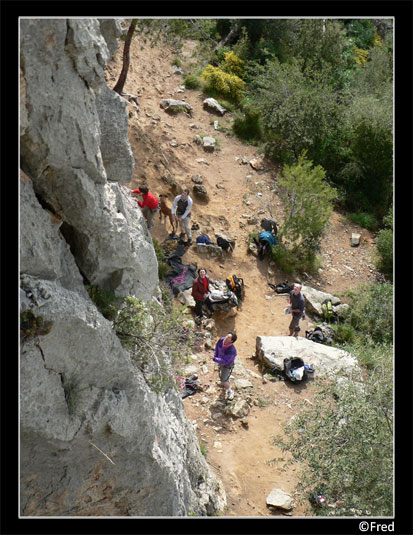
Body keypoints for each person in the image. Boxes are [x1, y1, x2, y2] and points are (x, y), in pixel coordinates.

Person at [213, 332, 237, 400]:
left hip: (227, 365)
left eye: (229, 337)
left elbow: (226, 361)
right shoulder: (221, 340)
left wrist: (216, 359)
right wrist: (215, 356)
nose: (226, 337)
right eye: (227, 335)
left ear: (231, 341)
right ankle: (226, 379)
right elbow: (217, 348)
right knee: (222, 375)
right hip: (220, 361)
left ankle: (230, 391)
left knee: (223, 380)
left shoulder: (231, 351)